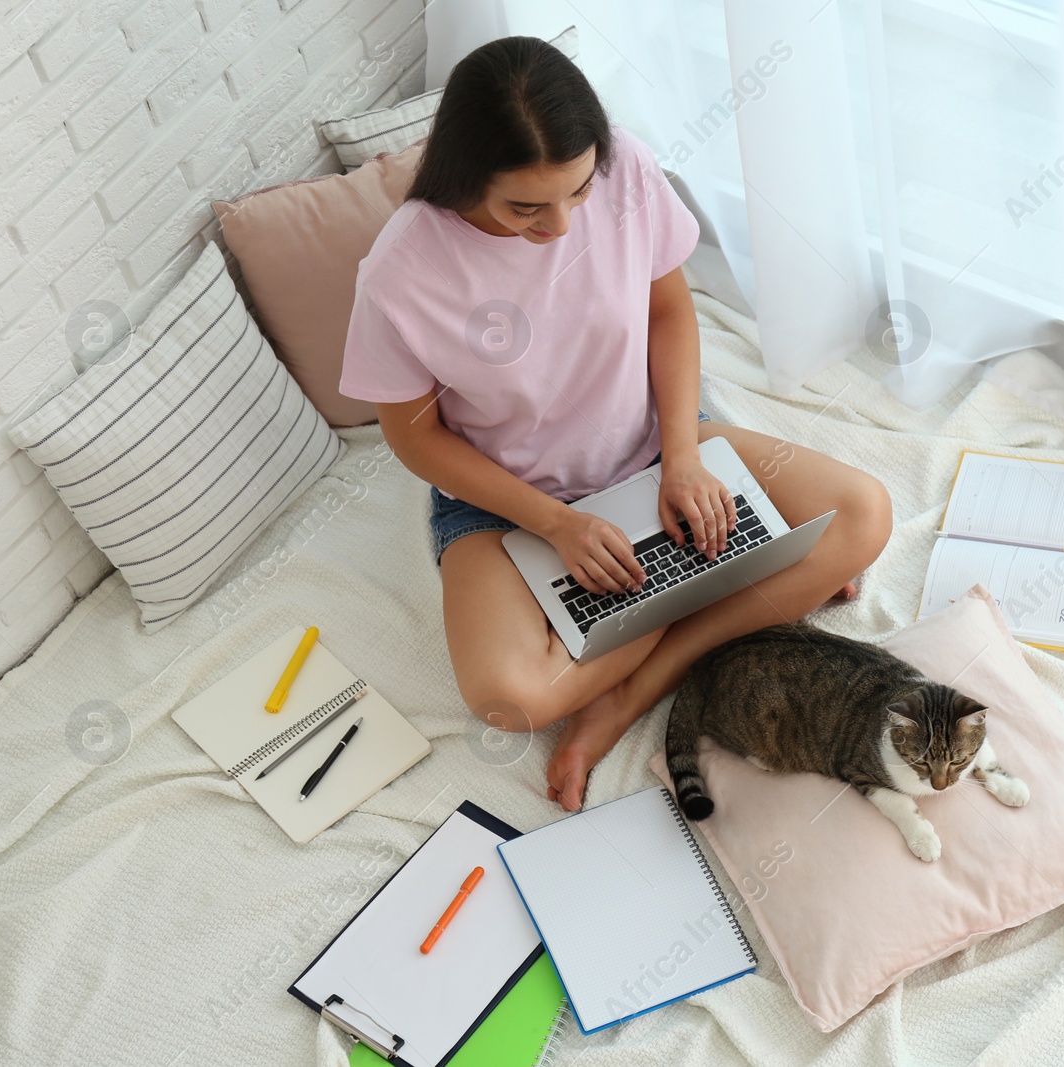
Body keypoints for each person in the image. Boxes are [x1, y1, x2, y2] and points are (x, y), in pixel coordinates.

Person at [339, 35, 892, 811]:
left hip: (653, 442)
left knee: (864, 514)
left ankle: (631, 693)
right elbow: (414, 437)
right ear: (466, 178)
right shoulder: (401, 273)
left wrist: (682, 460)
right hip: (509, 500)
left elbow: (669, 308)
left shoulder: (622, 163)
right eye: (526, 207)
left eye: (575, 194)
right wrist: (557, 524)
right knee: (509, 699)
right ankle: (730, 585)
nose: (561, 226)